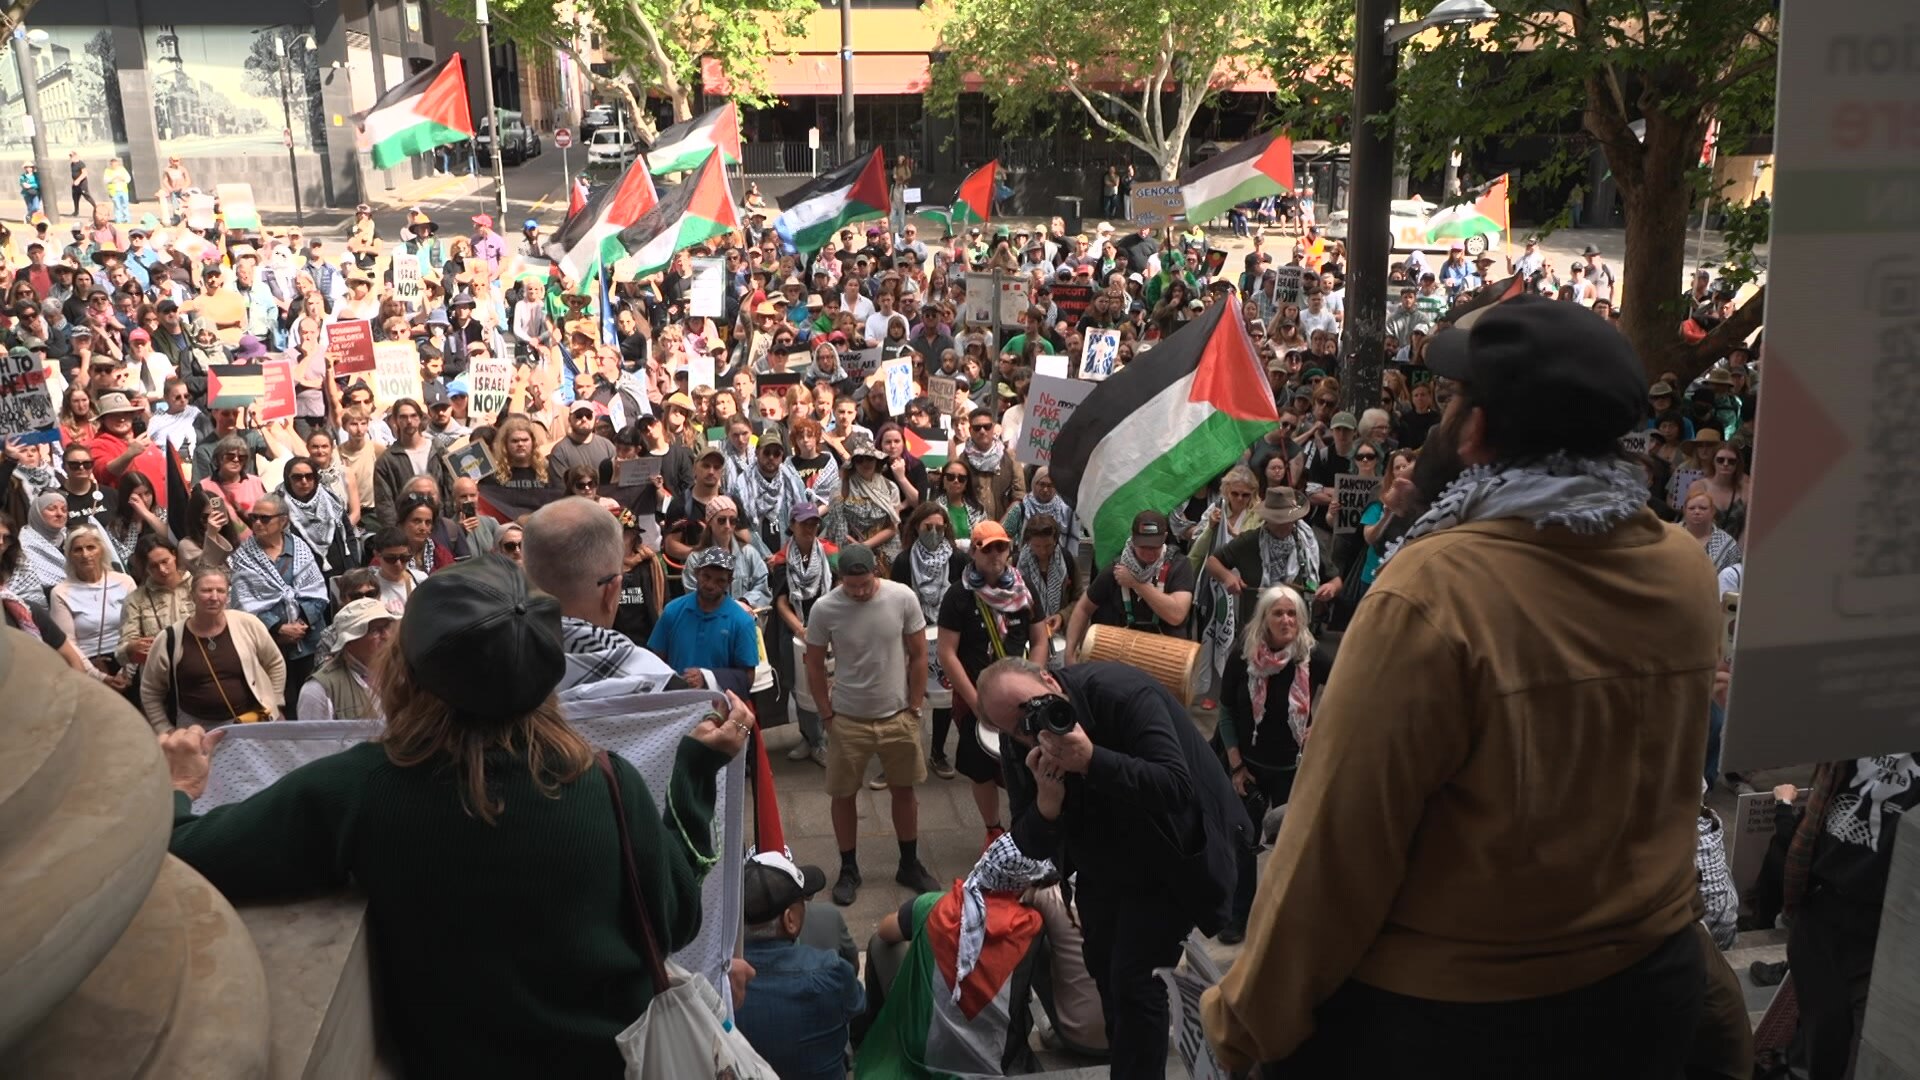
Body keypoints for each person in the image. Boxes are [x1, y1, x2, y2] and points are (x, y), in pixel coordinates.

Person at [1201, 295, 1726, 1077]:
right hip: (1653, 999)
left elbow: (1335, 857)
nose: (1442, 420)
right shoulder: (1684, 569)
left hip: (1463, 1026)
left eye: (1451, 402)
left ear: (1476, 433)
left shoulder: (1433, 590)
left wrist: (1239, 1024)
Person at [158, 555, 751, 1078]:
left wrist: (180, 787)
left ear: (406, 670)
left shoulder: (359, 790)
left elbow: (187, 854)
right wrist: (694, 772)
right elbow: (674, 917)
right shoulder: (606, 782)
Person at [974, 657, 1247, 1080]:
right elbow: (1027, 839)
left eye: (1033, 708)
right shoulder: (1020, 741)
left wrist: (1091, 760)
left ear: (1049, 678)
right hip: (1102, 863)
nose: (1033, 728)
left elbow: (1175, 787)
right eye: (1015, 728)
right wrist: (1048, 805)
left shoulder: (1122, 694)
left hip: (1166, 857)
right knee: (1104, 968)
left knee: (1136, 984)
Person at [802, 542, 943, 906]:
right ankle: (849, 868)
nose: (860, 592)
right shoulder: (825, 608)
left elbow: (918, 654)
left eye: (865, 584)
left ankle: (909, 863)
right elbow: (814, 664)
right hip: (848, 717)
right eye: (852, 587)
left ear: (875, 572)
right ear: (840, 580)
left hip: (897, 714)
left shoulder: (902, 598)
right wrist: (826, 713)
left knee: (904, 791)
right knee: (842, 794)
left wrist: (915, 705)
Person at [855, 834, 1054, 1077]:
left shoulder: (934, 905)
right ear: (1022, 886)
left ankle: (867, 1027)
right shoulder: (1031, 928)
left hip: (921, 1052)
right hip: (996, 1063)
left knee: (878, 944)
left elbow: (885, 931)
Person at [937, 520, 1048, 839]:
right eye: (988, 548)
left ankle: (1025, 825)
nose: (996, 554)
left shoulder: (1023, 587)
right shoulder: (959, 595)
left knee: (1029, 763)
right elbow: (947, 653)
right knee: (980, 768)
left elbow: (1039, 639)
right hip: (976, 695)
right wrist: (977, 703)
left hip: (1020, 695)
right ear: (974, 551)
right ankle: (993, 829)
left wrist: (1034, 684)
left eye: (1001, 546)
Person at [523, 496, 678, 694]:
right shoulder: (657, 682)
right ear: (611, 591)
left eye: (629, 534)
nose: (625, 540)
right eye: (622, 533)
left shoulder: (493, 661)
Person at [733, 850, 865, 1080]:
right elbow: (857, 1003)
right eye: (803, 902)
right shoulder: (831, 973)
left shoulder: (717, 984)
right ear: (790, 919)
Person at [139, 568, 286, 730]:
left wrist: (274, 704)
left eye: (221, 591)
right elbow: (150, 691)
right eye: (206, 591)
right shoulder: (169, 639)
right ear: (192, 595)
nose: (214, 597)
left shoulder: (248, 623)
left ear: (227, 596)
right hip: (197, 731)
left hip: (253, 720)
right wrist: (164, 729)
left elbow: (275, 663)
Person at [225, 493, 329, 716]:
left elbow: (317, 592)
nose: (257, 523)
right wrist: (278, 627)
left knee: (310, 701)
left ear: (283, 521)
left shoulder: (300, 549)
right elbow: (243, 602)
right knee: (275, 705)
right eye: (254, 518)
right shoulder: (244, 556)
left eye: (264, 518)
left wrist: (301, 623)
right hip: (268, 643)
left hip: (307, 640)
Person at [1064, 510, 1196, 661]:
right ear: (1133, 539)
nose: (1149, 553)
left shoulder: (1179, 565)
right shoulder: (1117, 568)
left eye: (1154, 547)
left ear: (1165, 538)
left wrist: (1137, 584)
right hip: (1125, 654)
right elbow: (1083, 607)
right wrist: (1070, 651)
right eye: (1143, 547)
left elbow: (1176, 615)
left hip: (1165, 655)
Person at [770, 502, 836, 765]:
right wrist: (800, 628)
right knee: (800, 686)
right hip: (795, 631)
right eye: (804, 523)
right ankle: (810, 737)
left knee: (827, 683)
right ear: (792, 526)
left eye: (813, 523)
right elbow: (781, 601)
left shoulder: (830, 553)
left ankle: (824, 738)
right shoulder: (782, 559)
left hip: (827, 628)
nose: (810, 528)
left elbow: (840, 589)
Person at [647, 547, 759, 694]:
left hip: (720, 708)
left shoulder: (742, 622)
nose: (711, 585)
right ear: (696, 573)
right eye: (706, 577)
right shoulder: (672, 611)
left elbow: (747, 678)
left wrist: (708, 678)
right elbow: (655, 661)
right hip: (677, 703)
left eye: (720, 581)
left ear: (730, 581)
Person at [49, 526, 137, 693]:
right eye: (78, 550)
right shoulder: (60, 593)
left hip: (128, 659)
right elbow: (68, 643)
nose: (85, 554)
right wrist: (99, 677)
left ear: (101, 550)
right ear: (69, 556)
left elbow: (138, 630)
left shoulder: (125, 582)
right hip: (87, 664)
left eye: (91, 547)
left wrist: (128, 673)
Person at [296, 597, 395, 721]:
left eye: (387, 627)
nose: (386, 636)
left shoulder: (403, 674)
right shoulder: (319, 690)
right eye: (375, 631)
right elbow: (313, 739)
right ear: (349, 642)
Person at [116, 534, 193, 675]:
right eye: (154, 566)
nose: (162, 570)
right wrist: (131, 648)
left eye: (165, 561)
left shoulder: (197, 585)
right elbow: (122, 653)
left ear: (174, 555)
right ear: (146, 568)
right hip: (161, 674)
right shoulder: (135, 600)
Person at [1680, 487, 1743, 573]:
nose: (1697, 512)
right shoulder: (1669, 534)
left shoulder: (1728, 544)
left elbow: (1733, 576)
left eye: (1703, 508)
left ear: (1713, 511)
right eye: (1691, 508)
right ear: (1684, 511)